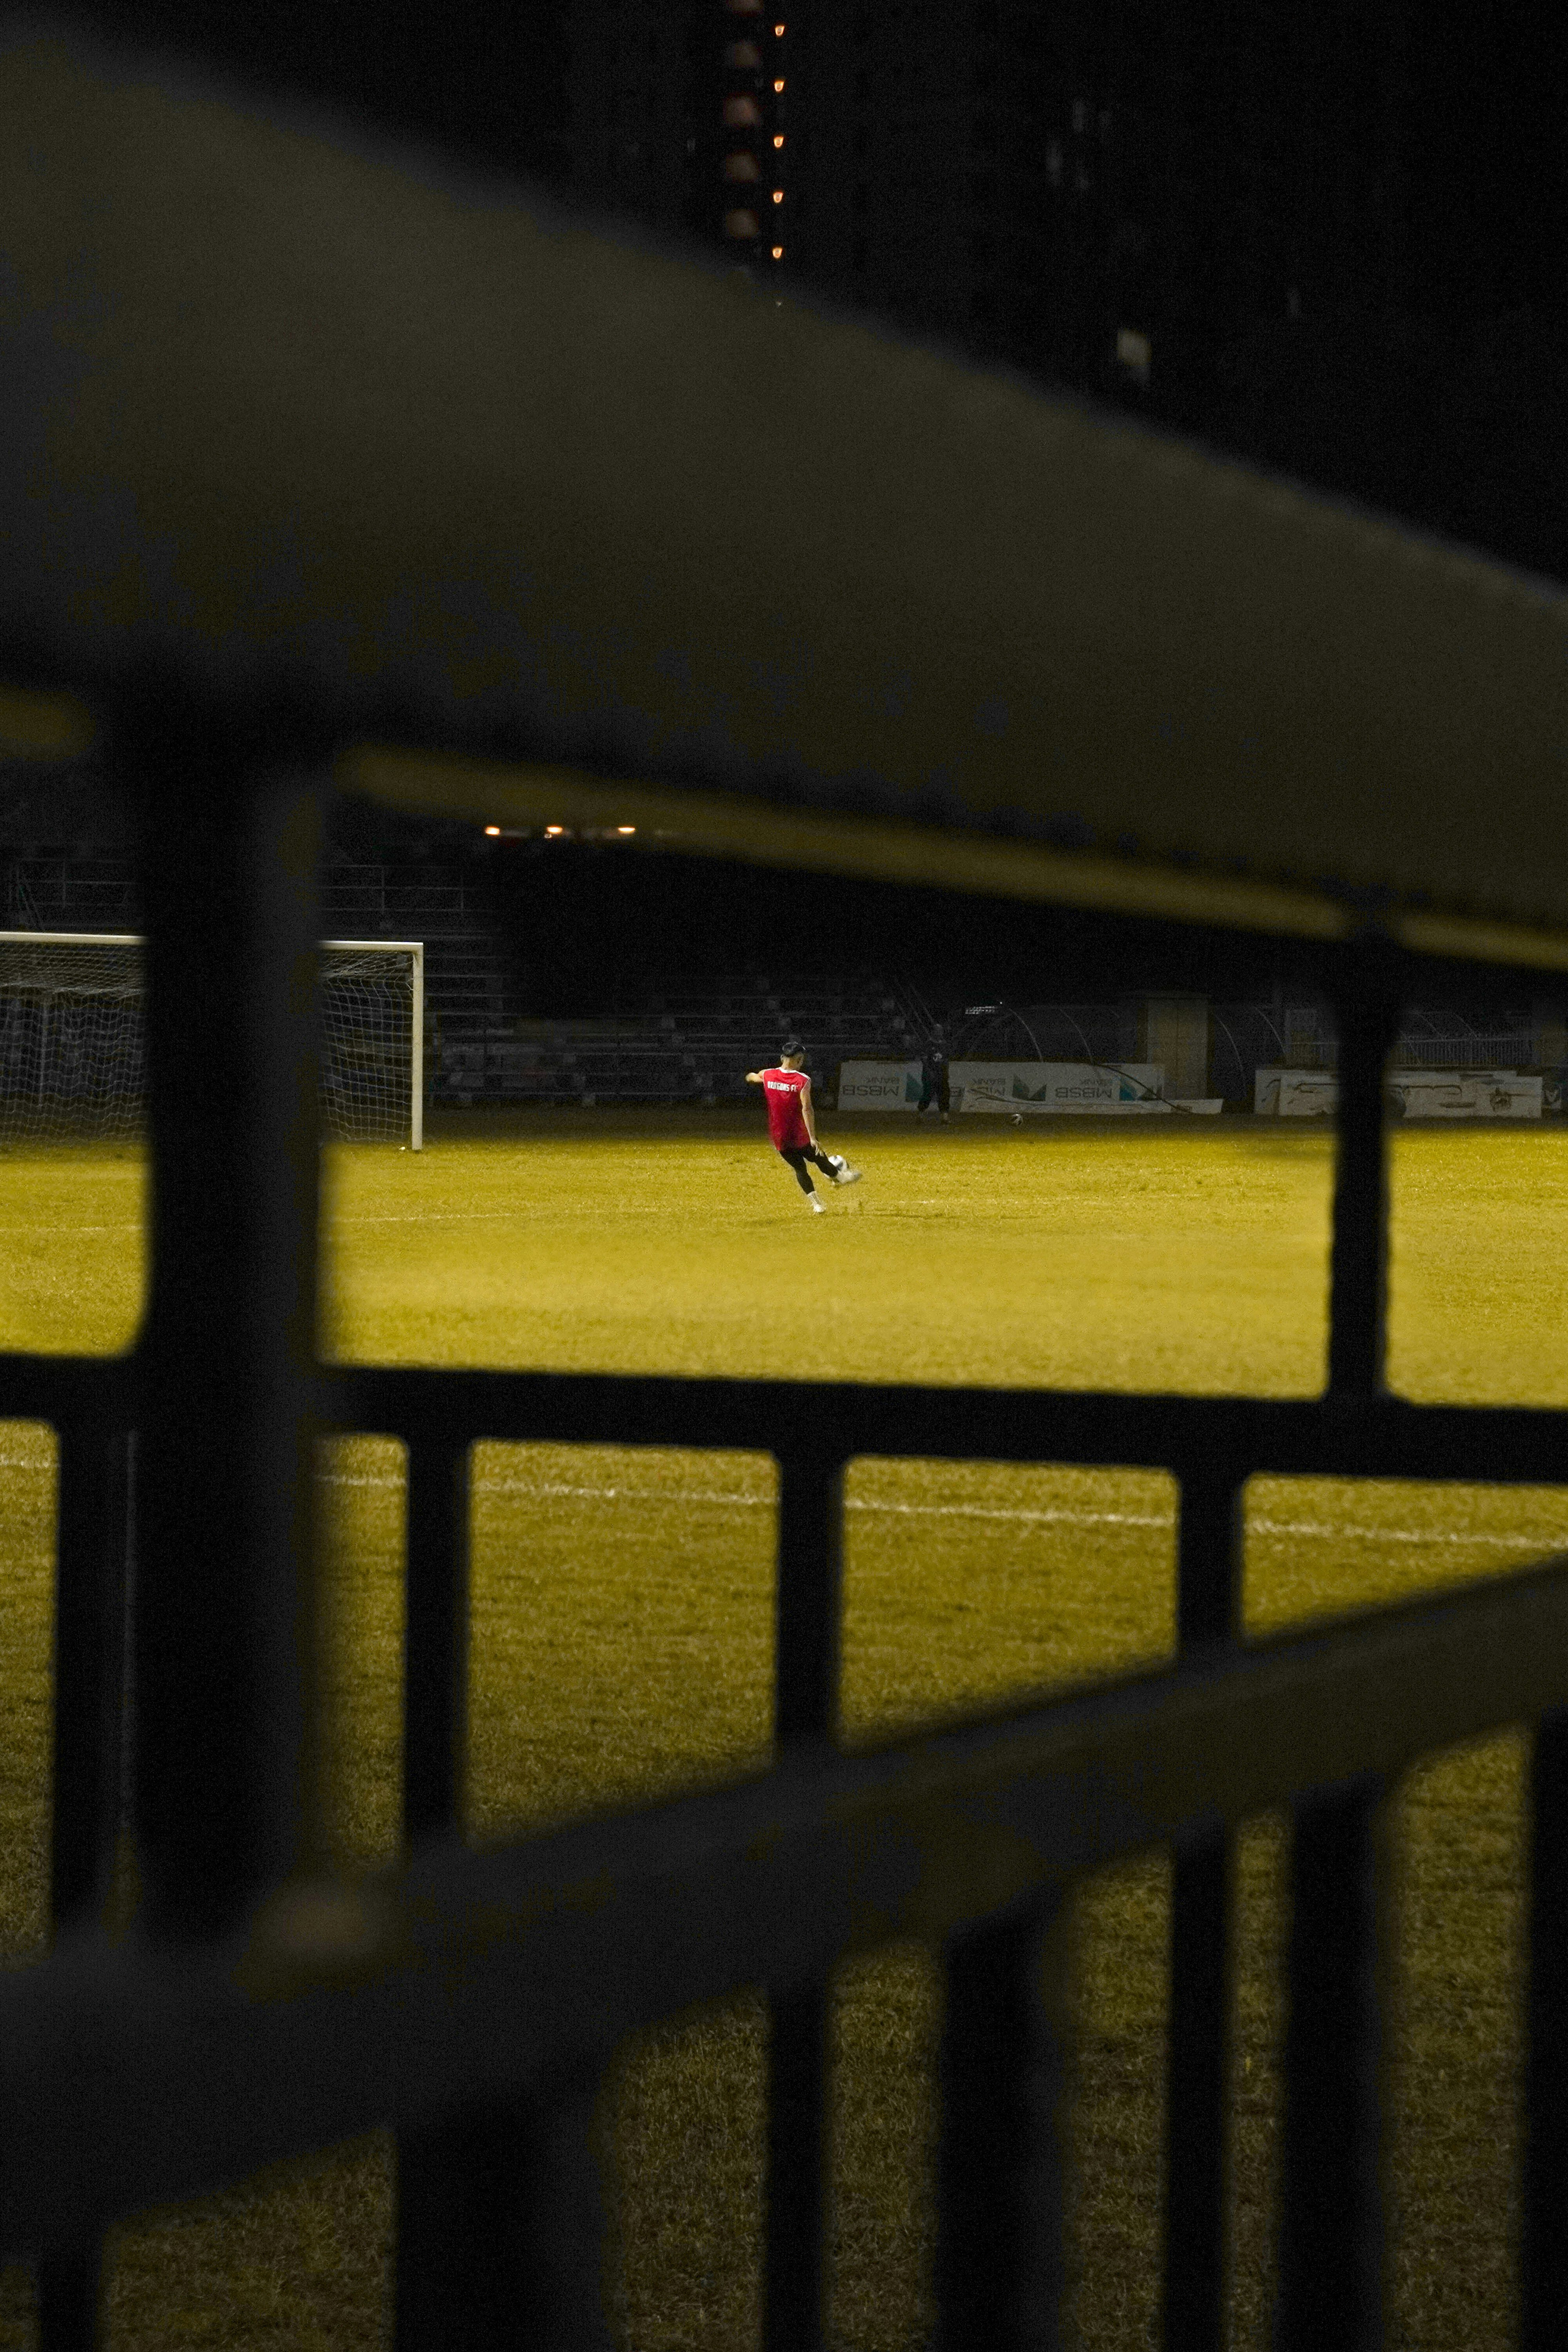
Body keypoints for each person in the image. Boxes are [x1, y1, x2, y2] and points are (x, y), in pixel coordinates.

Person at [746, 1038, 862, 1211]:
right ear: (799, 1059)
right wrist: (813, 1138)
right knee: (819, 1158)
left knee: (800, 1169)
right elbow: (807, 1109)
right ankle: (839, 1177)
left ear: (782, 1057)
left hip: (779, 1135)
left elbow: (753, 1077)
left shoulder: (768, 1074)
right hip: (799, 1133)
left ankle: (817, 1205)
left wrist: (750, 1077)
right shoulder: (802, 1080)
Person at [920, 1032, 950, 1120]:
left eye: (940, 1031)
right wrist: (929, 1072)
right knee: (928, 1093)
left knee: (945, 1094)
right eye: (936, 1031)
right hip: (930, 1074)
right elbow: (924, 1059)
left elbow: (946, 1059)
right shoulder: (928, 1044)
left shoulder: (945, 1044)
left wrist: (946, 1072)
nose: (939, 1033)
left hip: (942, 1074)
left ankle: (945, 1116)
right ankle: (921, 1113)